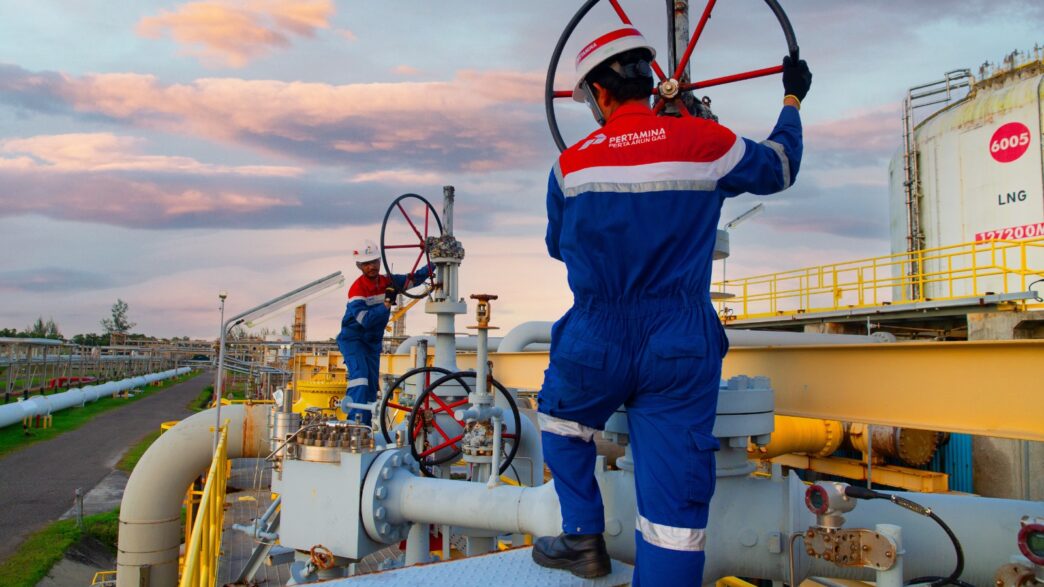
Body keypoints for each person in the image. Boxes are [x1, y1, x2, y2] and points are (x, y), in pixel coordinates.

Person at [532, 26, 811, 585]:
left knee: (560, 421)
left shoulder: (570, 167)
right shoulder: (706, 143)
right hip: (679, 341)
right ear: (648, 79)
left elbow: (558, 247)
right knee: (674, 516)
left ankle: (582, 536)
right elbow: (780, 165)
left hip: (596, 333)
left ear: (599, 93)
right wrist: (791, 98)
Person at [336, 239, 432, 424]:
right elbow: (366, 320)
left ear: (380, 261)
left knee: (372, 386)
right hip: (353, 340)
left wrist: (434, 261)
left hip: (372, 342)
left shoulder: (388, 281)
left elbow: (414, 279)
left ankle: (365, 426)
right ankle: (354, 424)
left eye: (374, 261)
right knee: (360, 378)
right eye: (367, 263)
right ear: (359, 266)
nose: (372, 266)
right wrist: (386, 304)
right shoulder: (357, 290)